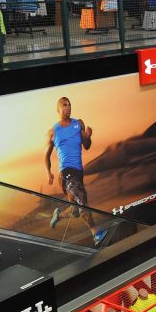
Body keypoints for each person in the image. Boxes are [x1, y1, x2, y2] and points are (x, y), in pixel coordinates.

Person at [45, 96, 104, 245]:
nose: (68, 108)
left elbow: (87, 145)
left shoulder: (79, 124)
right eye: (64, 105)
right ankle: (96, 233)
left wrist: (88, 136)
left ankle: (58, 216)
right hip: (65, 173)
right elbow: (46, 155)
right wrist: (49, 172)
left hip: (78, 173)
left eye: (69, 105)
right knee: (82, 198)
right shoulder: (53, 132)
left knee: (75, 210)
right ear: (58, 109)